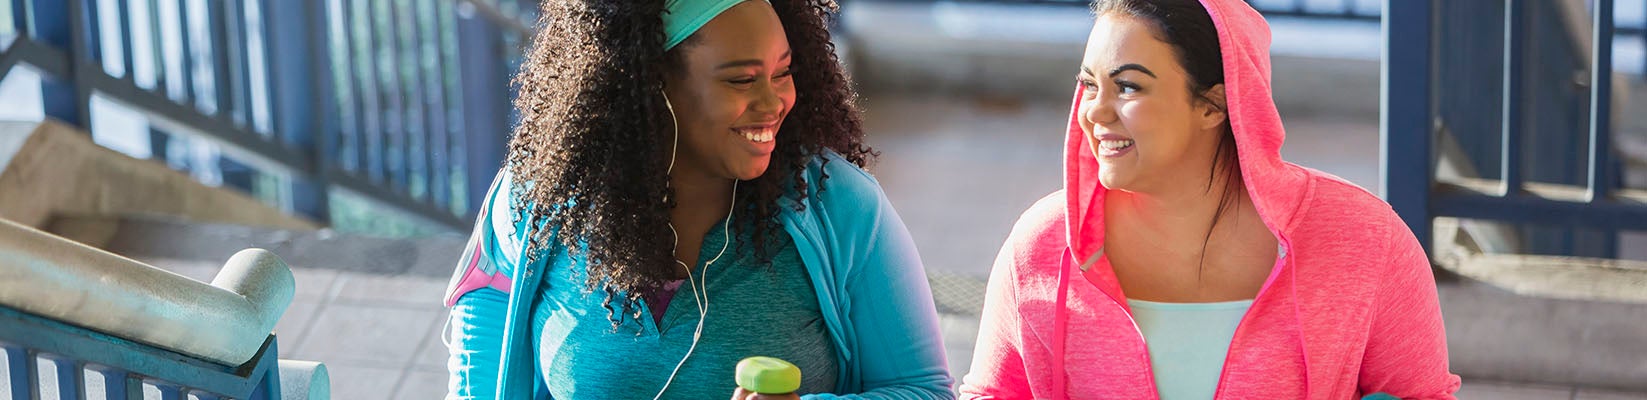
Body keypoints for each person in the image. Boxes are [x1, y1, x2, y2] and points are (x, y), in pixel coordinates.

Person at [441, 1, 953, 398]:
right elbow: (478, 376)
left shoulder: (839, 207)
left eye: (784, 72)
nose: (776, 102)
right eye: (741, 79)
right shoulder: (540, 199)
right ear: (650, 81)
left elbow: (927, 391)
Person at [958, 0, 1461, 398]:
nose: (1095, 112)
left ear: (1216, 104)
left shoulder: (1364, 240)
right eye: (1089, 85)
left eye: (1128, 87)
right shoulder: (1042, 246)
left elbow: (1422, 395)